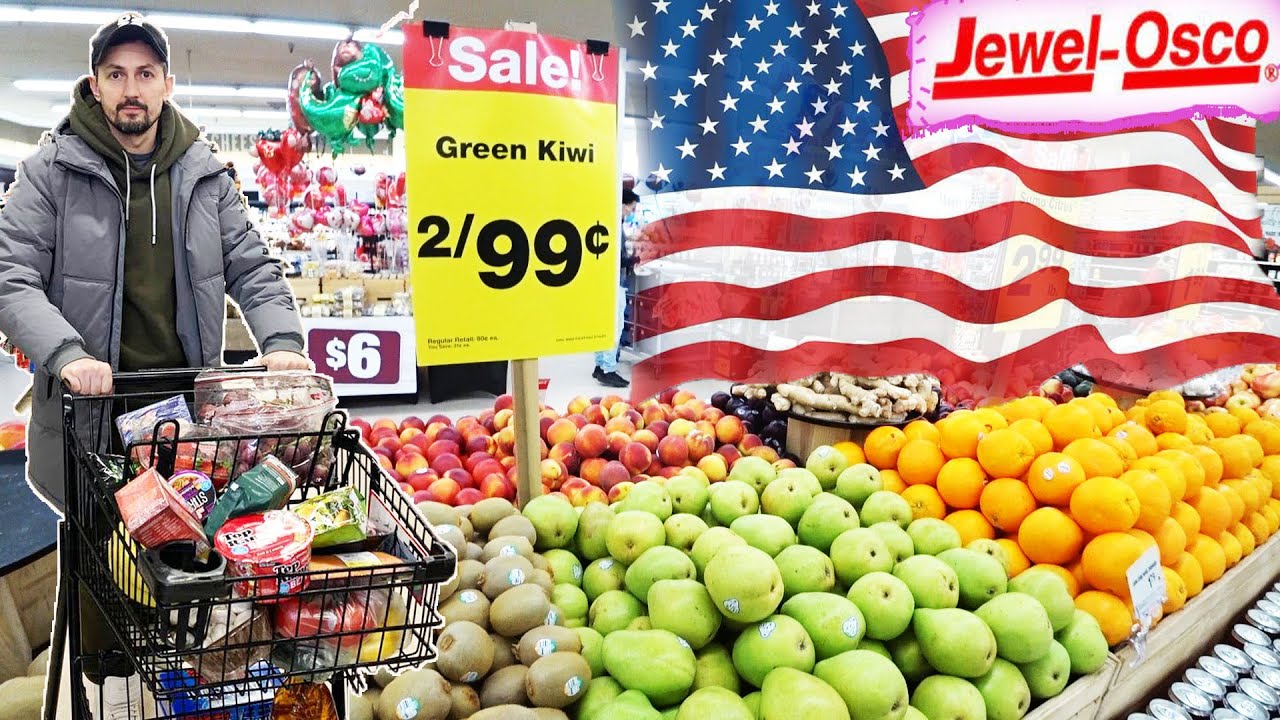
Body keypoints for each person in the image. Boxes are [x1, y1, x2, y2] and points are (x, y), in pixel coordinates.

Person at [0, 12, 309, 717]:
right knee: (103, 568)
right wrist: (68, 354)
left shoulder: (204, 173)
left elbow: (253, 267)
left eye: (145, 74)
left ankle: (191, 681)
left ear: (167, 83)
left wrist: (281, 342)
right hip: (91, 414)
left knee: (194, 557)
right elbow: (10, 275)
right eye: (116, 75)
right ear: (95, 84)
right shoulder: (50, 170)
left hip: (185, 421)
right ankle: (109, 685)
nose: (131, 89)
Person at [593, 187, 639, 388]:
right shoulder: (614, 225)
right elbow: (617, 258)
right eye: (631, 208)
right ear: (622, 205)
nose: (631, 213)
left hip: (604, 282)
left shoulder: (608, 223)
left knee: (603, 325)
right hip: (614, 283)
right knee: (614, 326)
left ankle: (600, 366)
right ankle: (608, 369)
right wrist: (636, 258)